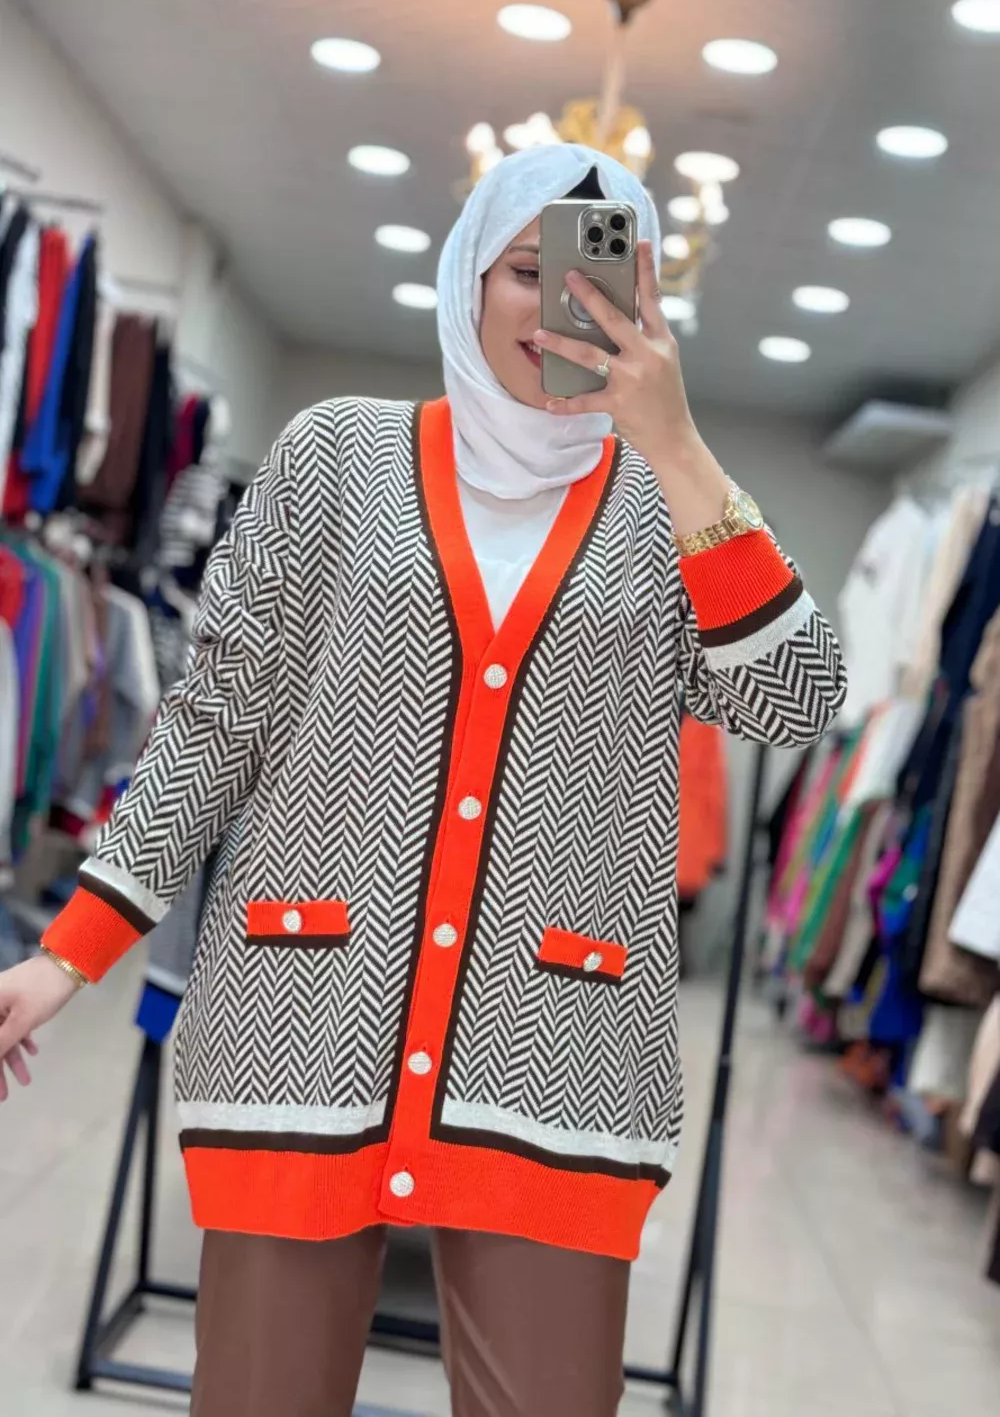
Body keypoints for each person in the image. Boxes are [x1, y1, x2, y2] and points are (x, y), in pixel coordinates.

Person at [0, 144, 846, 1416]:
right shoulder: (332, 460)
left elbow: (796, 700)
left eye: (607, 279)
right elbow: (213, 726)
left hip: (563, 1058)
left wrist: (677, 450)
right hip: (299, 1026)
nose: (565, 306)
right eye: (528, 270)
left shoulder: (670, 510)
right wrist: (64, 957)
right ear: (467, 278)